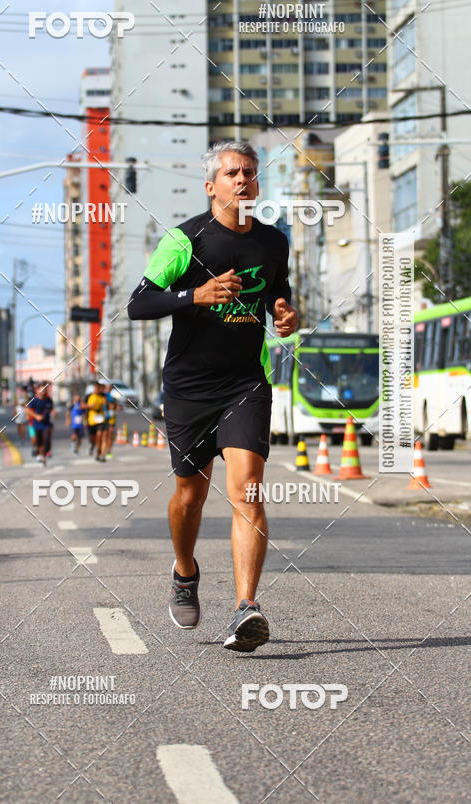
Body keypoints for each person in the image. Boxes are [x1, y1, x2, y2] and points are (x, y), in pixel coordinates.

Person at [127, 141, 298, 652]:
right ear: (211, 186)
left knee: (248, 488)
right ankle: (184, 570)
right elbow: (138, 304)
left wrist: (286, 313)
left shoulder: (273, 242)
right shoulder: (185, 240)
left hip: (246, 382)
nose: (242, 180)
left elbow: (278, 290)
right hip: (190, 388)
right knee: (190, 495)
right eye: (232, 173)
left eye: (250, 173)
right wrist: (194, 295)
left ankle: (246, 607)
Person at [26, 383, 55, 465]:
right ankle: (40, 455)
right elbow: (27, 410)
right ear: (37, 390)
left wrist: (54, 413)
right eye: (41, 389)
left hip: (46, 424)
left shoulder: (48, 400)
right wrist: (36, 416)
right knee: (39, 442)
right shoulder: (34, 400)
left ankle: (43, 456)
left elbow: (51, 409)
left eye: (44, 389)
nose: (43, 391)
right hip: (37, 424)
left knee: (46, 439)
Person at [86, 381, 107, 462]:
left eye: (99, 388)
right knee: (92, 438)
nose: (98, 390)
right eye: (96, 388)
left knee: (100, 436)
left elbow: (111, 404)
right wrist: (89, 406)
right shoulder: (89, 396)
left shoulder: (104, 396)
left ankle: (99, 454)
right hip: (91, 421)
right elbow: (82, 405)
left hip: (101, 420)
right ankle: (92, 445)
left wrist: (107, 404)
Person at [103, 383, 119, 460]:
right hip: (104, 419)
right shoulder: (103, 397)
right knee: (104, 435)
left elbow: (116, 408)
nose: (108, 390)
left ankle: (109, 451)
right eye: (107, 388)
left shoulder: (113, 398)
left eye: (110, 388)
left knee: (110, 435)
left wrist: (115, 406)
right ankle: (103, 450)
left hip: (111, 419)